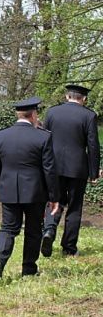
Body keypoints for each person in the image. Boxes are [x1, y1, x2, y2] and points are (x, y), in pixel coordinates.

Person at [0, 97, 59, 284]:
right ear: (34, 114)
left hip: (8, 190)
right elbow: (49, 169)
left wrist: (0, 188)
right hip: (35, 191)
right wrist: (54, 196)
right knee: (33, 230)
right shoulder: (43, 136)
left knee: (8, 228)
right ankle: (28, 268)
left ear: (18, 114)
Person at [41, 84, 100, 257]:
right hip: (78, 168)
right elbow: (93, 146)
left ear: (67, 96)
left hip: (54, 167)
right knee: (74, 207)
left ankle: (49, 230)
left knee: (53, 200)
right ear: (84, 99)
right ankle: (68, 247)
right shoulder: (89, 115)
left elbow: (44, 139)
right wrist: (94, 172)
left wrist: (43, 164)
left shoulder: (52, 112)